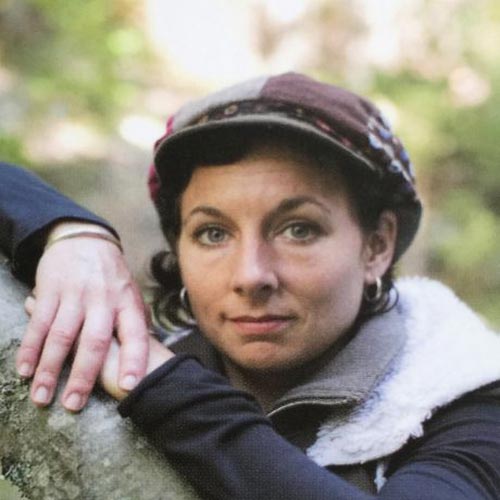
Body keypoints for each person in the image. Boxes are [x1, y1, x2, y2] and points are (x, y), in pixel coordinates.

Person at [2, 72, 500, 499]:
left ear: (376, 246)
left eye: (299, 229)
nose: (250, 276)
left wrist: (168, 392)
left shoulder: (464, 398)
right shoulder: (160, 350)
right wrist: (74, 234)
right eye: (212, 233)